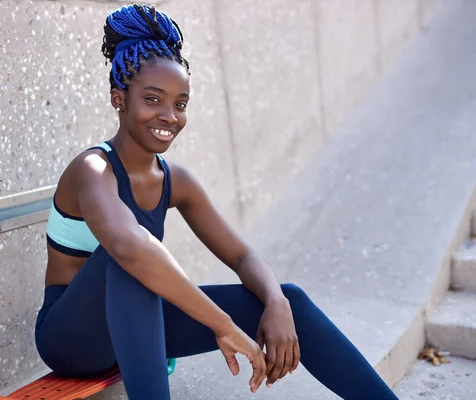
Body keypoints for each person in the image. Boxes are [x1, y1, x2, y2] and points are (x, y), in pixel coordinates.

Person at [34, 4, 399, 399]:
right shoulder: (92, 169)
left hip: (136, 326)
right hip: (71, 337)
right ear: (118, 98)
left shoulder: (176, 180)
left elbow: (242, 257)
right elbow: (127, 247)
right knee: (127, 261)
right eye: (153, 99)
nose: (169, 116)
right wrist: (223, 325)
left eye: (180, 103)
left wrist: (275, 302)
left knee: (285, 297)